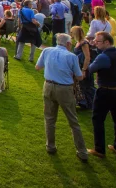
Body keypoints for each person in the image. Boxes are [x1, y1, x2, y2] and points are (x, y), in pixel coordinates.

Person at [35, 33, 88, 162]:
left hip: (48, 86)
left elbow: (37, 67)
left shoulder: (47, 51)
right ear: (68, 44)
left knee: (49, 118)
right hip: (64, 89)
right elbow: (79, 76)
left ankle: (50, 146)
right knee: (73, 121)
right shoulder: (71, 56)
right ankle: (82, 151)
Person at [87, 31, 116, 158]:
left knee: (97, 119)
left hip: (106, 91)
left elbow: (91, 69)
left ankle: (99, 149)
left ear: (107, 42)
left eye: (97, 41)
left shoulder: (103, 57)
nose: (94, 43)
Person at [71, 26, 96, 110]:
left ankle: (89, 103)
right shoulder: (78, 42)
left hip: (84, 67)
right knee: (80, 85)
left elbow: (87, 57)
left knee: (86, 86)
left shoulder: (83, 43)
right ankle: (82, 102)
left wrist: (84, 70)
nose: (70, 34)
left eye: (72, 32)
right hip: (79, 66)